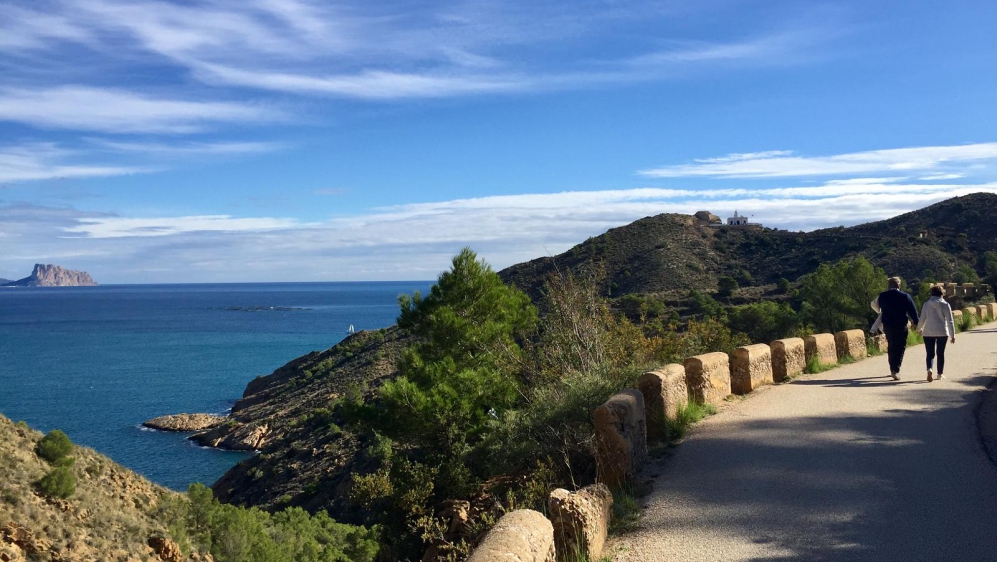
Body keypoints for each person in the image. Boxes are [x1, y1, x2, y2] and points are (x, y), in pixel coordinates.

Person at [871, 277, 920, 380]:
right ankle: (896, 370)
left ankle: (892, 368)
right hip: (901, 325)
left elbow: (874, 305)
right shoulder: (905, 296)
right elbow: (913, 312)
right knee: (900, 347)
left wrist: (880, 312)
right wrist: (917, 324)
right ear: (899, 285)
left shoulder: (882, 296)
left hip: (887, 325)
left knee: (891, 346)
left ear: (888, 286)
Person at [917, 285, 956, 381]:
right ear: (942, 293)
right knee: (940, 353)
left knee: (930, 354)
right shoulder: (945, 304)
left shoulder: (926, 304)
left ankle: (929, 369)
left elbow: (922, 318)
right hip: (942, 331)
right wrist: (952, 335)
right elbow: (950, 321)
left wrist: (919, 329)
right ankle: (939, 374)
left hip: (928, 332)